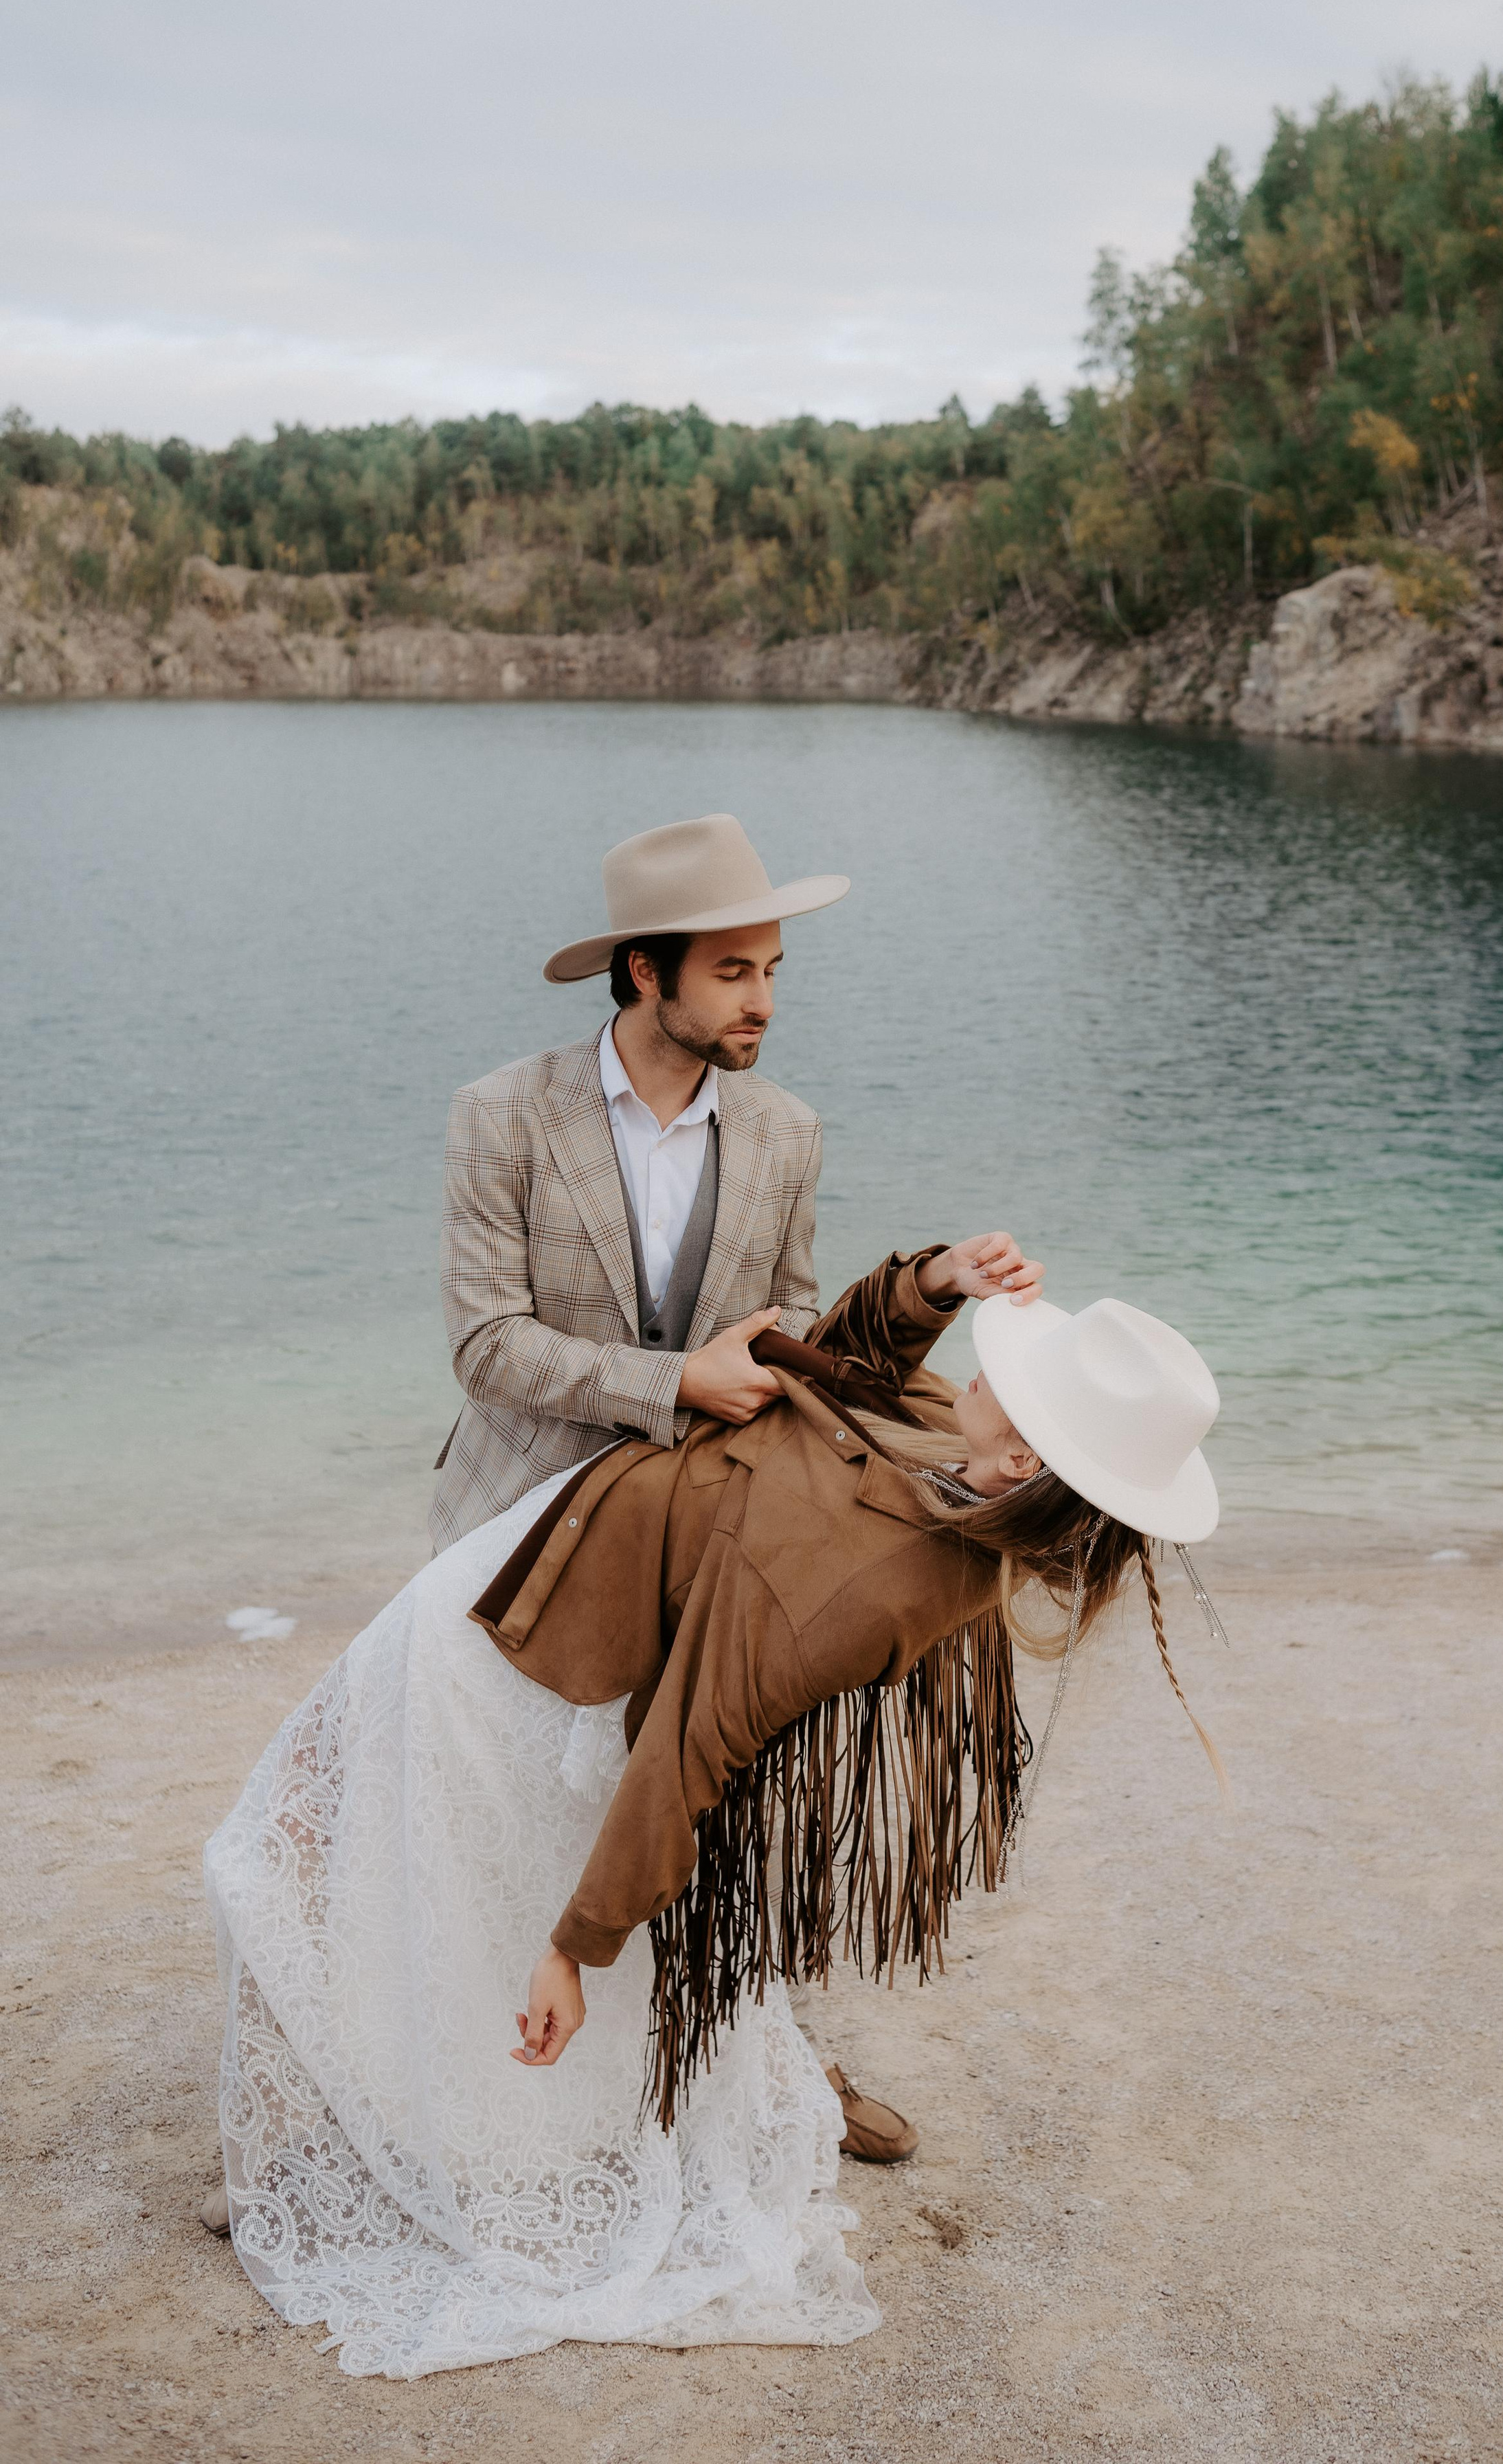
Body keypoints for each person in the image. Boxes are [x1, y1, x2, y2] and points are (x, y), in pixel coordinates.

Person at [202, 1236, 1222, 2378]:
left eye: (1015, 1381)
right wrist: (935, 1284)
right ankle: (371, 2133)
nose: (986, 1369)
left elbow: (690, 1747)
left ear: (1025, 1453)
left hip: (513, 1648)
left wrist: (576, 1949)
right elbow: (857, 1366)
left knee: (282, 1846)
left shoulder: (861, 1590)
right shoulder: (959, 1452)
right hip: (545, 1553)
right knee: (372, 1850)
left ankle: (354, 2153)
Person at [429, 808, 988, 2163]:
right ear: (645, 974)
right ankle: (458, 2084)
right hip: (524, 1510)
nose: (764, 1001)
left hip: (722, 1524)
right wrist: (671, 1383)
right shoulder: (501, 1116)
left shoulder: (787, 1132)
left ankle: (779, 2063)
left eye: (775, 970)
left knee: (750, 1782)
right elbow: (485, 1348)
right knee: (494, 1812)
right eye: (735, 972)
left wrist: (923, 1300)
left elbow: (790, 1344)